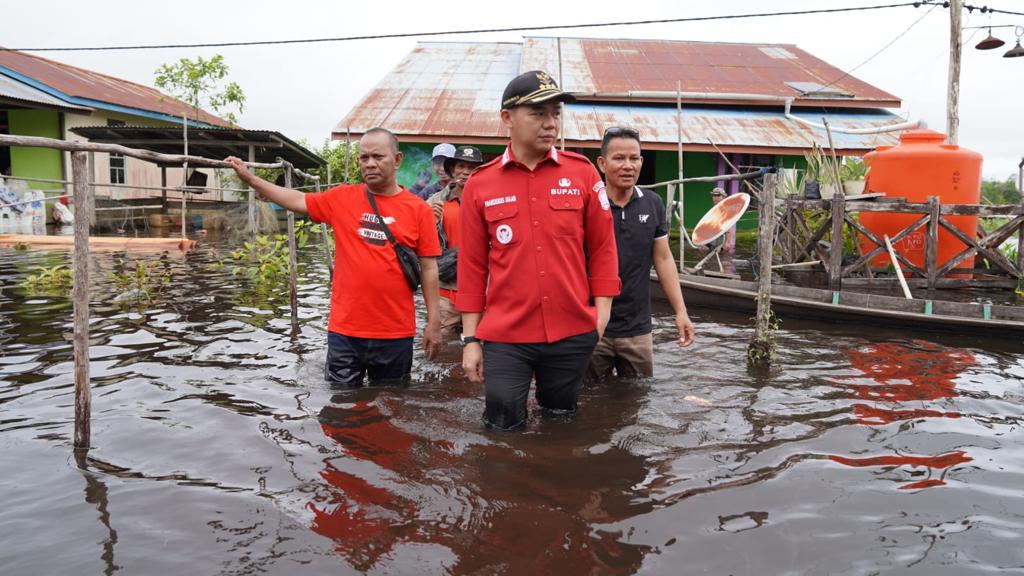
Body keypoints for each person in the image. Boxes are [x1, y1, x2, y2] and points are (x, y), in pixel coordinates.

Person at [457, 70, 621, 430]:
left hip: (572, 329)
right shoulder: (480, 184)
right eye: (538, 113)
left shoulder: (582, 174)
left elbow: (604, 245)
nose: (550, 124)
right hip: (505, 333)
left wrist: (602, 313)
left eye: (556, 114)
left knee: (561, 420)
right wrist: (471, 339)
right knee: (501, 422)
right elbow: (471, 266)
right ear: (507, 119)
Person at [224, 127, 442, 386]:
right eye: (364, 158)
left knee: (391, 404)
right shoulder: (343, 197)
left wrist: (434, 323)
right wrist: (252, 180)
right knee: (341, 405)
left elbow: (429, 268)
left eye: (378, 157)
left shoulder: (418, 210)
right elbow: (298, 200)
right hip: (345, 330)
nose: (370, 164)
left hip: (395, 332)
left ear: (397, 160)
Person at [587, 127, 695, 380]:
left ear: (641, 162)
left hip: (637, 329)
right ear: (602, 163)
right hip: (591, 325)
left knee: (637, 398)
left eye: (634, 158)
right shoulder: (588, 204)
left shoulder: (652, 203)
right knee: (588, 400)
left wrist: (680, 311)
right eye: (619, 158)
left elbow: (663, 258)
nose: (628, 166)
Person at [426, 145, 484, 339]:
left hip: (481, 289)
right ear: (452, 169)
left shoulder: (490, 200)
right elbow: (420, 245)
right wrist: (430, 223)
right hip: (445, 290)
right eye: (461, 166)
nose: (466, 172)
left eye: (472, 167)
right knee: (441, 346)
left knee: (481, 345)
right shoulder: (435, 201)